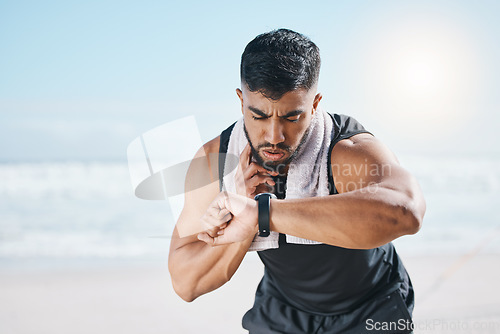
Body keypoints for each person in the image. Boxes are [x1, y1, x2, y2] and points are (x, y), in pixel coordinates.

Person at [168, 28, 426, 333]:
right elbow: (186, 283)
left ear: (314, 105)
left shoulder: (345, 150)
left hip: (369, 303)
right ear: (241, 102)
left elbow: (406, 211)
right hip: (284, 307)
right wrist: (242, 223)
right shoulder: (215, 160)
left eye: (292, 118)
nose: (274, 136)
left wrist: (262, 213)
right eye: (259, 116)